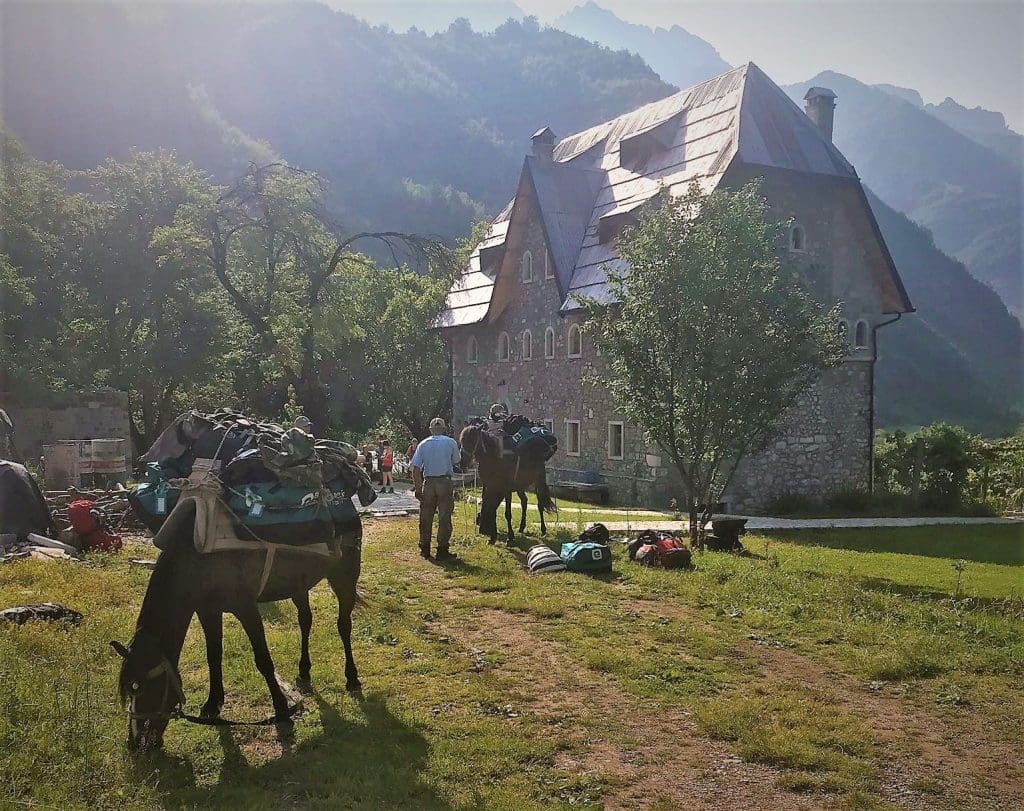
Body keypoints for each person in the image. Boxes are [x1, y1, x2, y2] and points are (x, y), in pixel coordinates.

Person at [410, 417, 461, 561]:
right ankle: (442, 549)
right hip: (444, 481)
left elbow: (415, 468)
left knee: (426, 516)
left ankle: (425, 547)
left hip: (429, 482)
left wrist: (418, 488)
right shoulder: (450, 442)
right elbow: (457, 460)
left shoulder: (423, 444)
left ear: (431, 430)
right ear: (444, 429)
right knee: (445, 517)